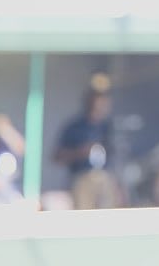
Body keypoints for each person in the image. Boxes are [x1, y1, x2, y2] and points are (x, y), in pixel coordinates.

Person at [51, 77, 121, 210]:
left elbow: (117, 158)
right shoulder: (74, 127)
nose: (100, 102)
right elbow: (57, 157)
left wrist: (119, 185)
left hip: (106, 179)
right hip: (82, 178)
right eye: (96, 97)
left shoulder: (109, 128)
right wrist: (79, 152)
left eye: (103, 98)